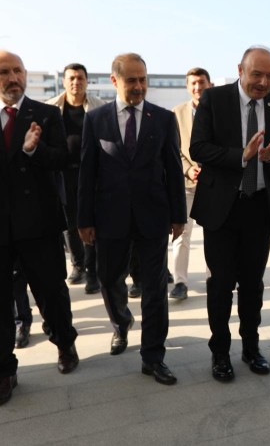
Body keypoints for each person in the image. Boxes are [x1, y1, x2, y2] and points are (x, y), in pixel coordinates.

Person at [0, 50, 79, 405]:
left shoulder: (46, 114)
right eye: (4, 72)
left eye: (18, 71)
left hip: (38, 223)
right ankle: (4, 371)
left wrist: (33, 151)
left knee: (51, 292)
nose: (13, 78)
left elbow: (63, 158)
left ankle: (64, 343)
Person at [78, 53, 186, 386]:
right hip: (109, 218)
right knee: (109, 278)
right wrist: (84, 219)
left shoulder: (163, 119)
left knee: (155, 288)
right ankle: (121, 323)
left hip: (153, 217)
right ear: (114, 81)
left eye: (143, 79)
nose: (139, 86)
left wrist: (178, 216)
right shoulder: (95, 120)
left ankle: (153, 356)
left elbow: (173, 169)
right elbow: (87, 172)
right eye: (131, 80)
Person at [190, 46, 270, 382]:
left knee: (253, 284)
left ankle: (251, 347)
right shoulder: (214, 99)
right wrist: (241, 155)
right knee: (221, 284)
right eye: (257, 74)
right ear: (240, 70)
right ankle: (220, 352)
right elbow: (198, 147)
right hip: (222, 208)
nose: (263, 82)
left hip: (259, 207)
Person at [46, 63, 104, 294]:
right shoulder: (51, 108)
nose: (75, 82)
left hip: (92, 174)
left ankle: (93, 271)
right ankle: (78, 265)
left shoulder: (99, 107)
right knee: (69, 224)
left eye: (80, 78)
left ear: (86, 81)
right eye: (71, 78)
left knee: (91, 221)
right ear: (64, 82)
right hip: (63, 174)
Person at [170, 67, 213, 301]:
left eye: (201, 82)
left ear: (209, 84)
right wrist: (188, 169)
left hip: (214, 184)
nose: (198, 87)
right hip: (186, 184)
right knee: (181, 235)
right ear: (187, 87)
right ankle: (180, 282)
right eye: (193, 83)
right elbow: (173, 149)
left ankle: (213, 278)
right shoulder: (176, 113)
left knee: (213, 235)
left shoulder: (220, 111)